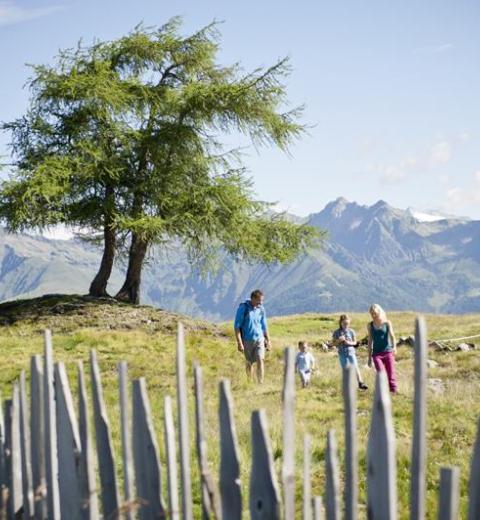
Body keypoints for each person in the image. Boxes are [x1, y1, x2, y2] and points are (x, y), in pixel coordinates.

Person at [234, 289, 271, 383]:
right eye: (259, 301)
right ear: (253, 299)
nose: (261, 303)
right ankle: (249, 381)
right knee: (249, 362)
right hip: (247, 340)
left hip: (259, 339)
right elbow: (237, 326)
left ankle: (260, 382)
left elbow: (264, 325)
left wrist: (268, 340)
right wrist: (239, 343)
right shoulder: (243, 308)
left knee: (260, 359)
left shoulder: (261, 309)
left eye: (262, 301)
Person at [367, 303, 398, 393]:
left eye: (375, 313)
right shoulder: (370, 325)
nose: (373, 315)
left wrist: (394, 347)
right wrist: (369, 359)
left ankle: (393, 391)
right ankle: (383, 391)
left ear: (379, 312)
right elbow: (370, 342)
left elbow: (392, 336)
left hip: (388, 352)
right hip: (376, 354)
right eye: (371, 313)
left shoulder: (387, 323)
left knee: (391, 373)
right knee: (381, 373)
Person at [332, 314, 368, 390]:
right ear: (340, 322)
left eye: (347, 324)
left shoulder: (351, 331)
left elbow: (355, 342)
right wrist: (339, 340)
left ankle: (360, 383)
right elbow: (333, 343)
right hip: (342, 353)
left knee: (355, 367)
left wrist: (348, 342)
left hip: (351, 352)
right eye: (344, 323)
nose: (346, 325)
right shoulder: (336, 332)